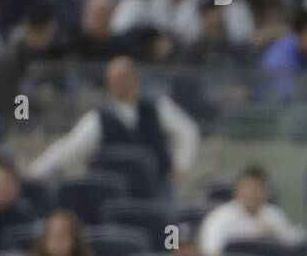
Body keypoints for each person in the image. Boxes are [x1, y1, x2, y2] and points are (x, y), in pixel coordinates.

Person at [26, 56, 199, 191]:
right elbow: (69, 149)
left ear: (135, 78)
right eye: (115, 79)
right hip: (114, 191)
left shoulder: (158, 108)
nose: (120, 83)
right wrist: (35, 172)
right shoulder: (97, 120)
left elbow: (188, 131)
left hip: (155, 187)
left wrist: (180, 164)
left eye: (125, 77)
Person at [197, 165, 303, 256]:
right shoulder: (219, 218)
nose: (252, 193)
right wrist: (250, 243)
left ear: (266, 191)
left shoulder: (274, 214)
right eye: (248, 188)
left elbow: (292, 245)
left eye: (258, 188)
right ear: (237, 190)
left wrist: (274, 236)